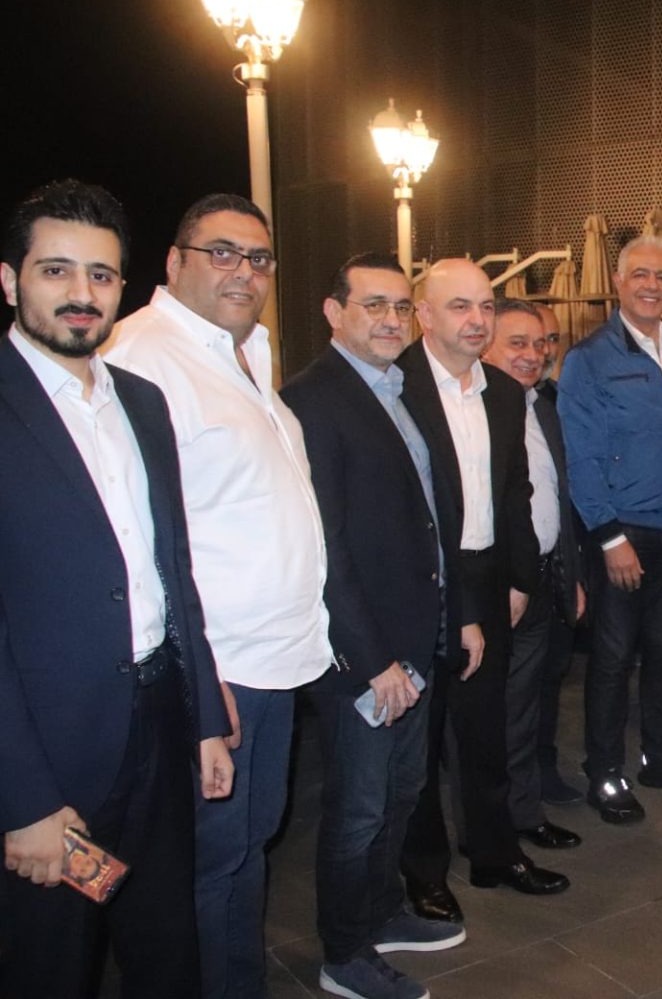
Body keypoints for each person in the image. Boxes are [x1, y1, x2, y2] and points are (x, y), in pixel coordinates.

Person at [0, 180, 232, 999]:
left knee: (166, 949)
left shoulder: (141, 400)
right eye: (56, 270)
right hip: (49, 757)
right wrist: (22, 799)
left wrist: (204, 719)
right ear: (10, 279)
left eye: (100, 275)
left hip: (159, 727)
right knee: (52, 966)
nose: (81, 293)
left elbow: (173, 567)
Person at [105, 193, 333, 997]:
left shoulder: (243, 352)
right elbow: (136, 544)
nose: (244, 271)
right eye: (222, 252)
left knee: (246, 846)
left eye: (258, 258)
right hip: (217, 670)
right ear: (175, 263)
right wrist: (198, 683)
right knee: (204, 860)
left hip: (274, 660)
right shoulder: (141, 355)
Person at [282, 253, 464, 999]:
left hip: (414, 637)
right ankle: (345, 952)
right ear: (334, 312)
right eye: (374, 306)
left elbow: (424, 517)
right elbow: (324, 546)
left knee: (401, 791)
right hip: (365, 654)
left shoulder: (396, 389)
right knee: (358, 809)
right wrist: (370, 659)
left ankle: (383, 909)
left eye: (400, 306)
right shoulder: (312, 400)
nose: (391, 320)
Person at [395, 260, 567, 908]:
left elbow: (516, 491)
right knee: (420, 739)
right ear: (425, 314)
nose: (477, 320)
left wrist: (520, 578)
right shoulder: (397, 386)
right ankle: (425, 872)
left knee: (486, 730)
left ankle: (496, 854)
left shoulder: (503, 392)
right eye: (460, 306)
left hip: (491, 575)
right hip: (424, 578)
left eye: (486, 306)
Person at [559, 235, 662, 823]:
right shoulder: (590, 358)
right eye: (640, 275)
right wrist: (609, 536)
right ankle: (604, 771)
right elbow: (582, 457)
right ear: (619, 283)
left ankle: (661, 755)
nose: (652, 285)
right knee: (614, 655)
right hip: (625, 533)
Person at [479, 299, 588, 840]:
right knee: (498, 711)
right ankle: (502, 824)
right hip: (499, 586)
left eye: (541, 343)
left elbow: (558, 498)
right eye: (517, 343)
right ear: (485, 346)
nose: (534, 354)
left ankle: (522, 810)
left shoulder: (541, 406)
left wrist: (570, 575)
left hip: (545, 576)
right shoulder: (474, 412)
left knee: (529, 702)